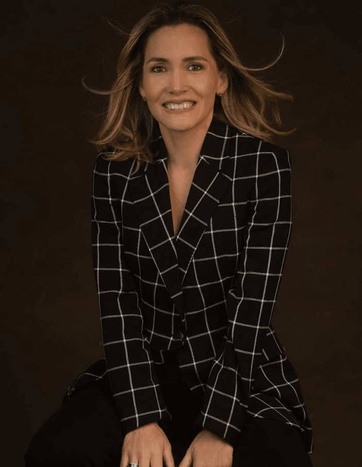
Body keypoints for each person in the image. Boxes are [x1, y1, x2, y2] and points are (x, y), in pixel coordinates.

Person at [25, 2, 313, 466]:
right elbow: (116, 300)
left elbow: (251, 312)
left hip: (237, 377)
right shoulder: (115, 173)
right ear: (141, 84)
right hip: (145, 374)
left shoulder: (264, 167)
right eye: (159, 68)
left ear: (219, 79)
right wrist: (140, 417)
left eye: (194, 66)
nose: (176, 85)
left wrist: (219, 429)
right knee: (54, 451)